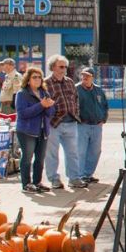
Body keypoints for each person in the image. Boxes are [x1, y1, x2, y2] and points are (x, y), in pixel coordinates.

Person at [43, 55, 84, 189]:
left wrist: (76, 113)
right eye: (61, 66)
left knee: (73, 153)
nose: (64, 69)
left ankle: (74, 178)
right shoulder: (46, 83)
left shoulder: (70, 82)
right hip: (54, 123)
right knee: (52, 154)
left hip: (71, 122)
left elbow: (76, 99)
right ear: (53, 67)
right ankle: (54, 179)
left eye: (65, 67)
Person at [14, 67, 55, 193]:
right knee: (27, 158)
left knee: (40, 158)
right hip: (26, 131)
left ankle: (37, 182)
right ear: (28, 79)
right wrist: (41, 105)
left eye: (39, 77)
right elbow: (22, 113)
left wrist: (48, 107)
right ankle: (26, 184)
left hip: (42, 130)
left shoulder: (44, 92)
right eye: (34, 77)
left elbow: (51, 112)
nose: (37, 79)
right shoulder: (22, 94)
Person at [75, 68, 108, 185]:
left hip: (97, 125)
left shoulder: (98, 90)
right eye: (83, 75)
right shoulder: (76, 89)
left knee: (95, 151)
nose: (85, 77)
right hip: (82, 125)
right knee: (81, 151)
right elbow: (73, 106)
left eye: (87, 76)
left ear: (92, 77)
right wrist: (78, 119)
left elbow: (104, 105)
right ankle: (80, 175)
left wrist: (103, 118)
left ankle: (88, 174)